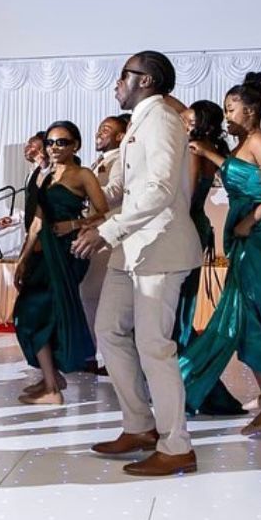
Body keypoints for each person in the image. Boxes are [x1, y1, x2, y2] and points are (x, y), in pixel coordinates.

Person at [70, 51, 201, 477]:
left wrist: (107, 230)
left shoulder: (161, 119)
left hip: (161, 248)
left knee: (154, 346)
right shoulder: (139, 124)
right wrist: (79, 194)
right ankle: (139, 425)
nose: (116, 83)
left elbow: (159, 189)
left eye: (122, 75)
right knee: (108, 330)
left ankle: (176, 446)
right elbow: (121, 189)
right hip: (131, 249)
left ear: (145, 80)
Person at [178, 73, 261, 435]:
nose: (227, 116)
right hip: (251, 229)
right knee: (242, 310)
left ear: (250, 110)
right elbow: (242, 175)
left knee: (243, 310)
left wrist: (250, 220)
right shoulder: (246, 143)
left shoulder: (260, 139)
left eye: (231, 109)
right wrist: (209, 154)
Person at [12, 121, 107, 405]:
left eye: (62, 142)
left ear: (75, 145)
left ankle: (52, 388)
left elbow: (103, 212)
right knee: (33, 313)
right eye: (51, 142)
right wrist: (23, 259)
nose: (54, 147)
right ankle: (51, 378)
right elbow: (37, 222)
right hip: (42, 252)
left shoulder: (83, 174)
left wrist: (73, 224)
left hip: (67, 252)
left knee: (35, 312)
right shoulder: (46, 175)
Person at [172, 101, 245, 417]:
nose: (182, 123)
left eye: (187, 119)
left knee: (177, 312)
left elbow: (186, 197)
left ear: (198, 123)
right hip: (194, 225)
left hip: (184, 226)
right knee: (178, 310)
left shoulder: (193, 150)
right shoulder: (205, 149)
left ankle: (193, 384)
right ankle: (192, 384)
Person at [78, 115, 127, 374]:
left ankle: (108, 357)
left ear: (120, 136)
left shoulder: (120, 159)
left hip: (108, 237)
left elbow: (116, 191)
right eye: (98, 129)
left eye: (106, 130)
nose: (99, 133)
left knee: (98, 297)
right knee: (88, 295)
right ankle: (91, 353)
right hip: (93, 233)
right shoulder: (98, 161)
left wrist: (82, 190)